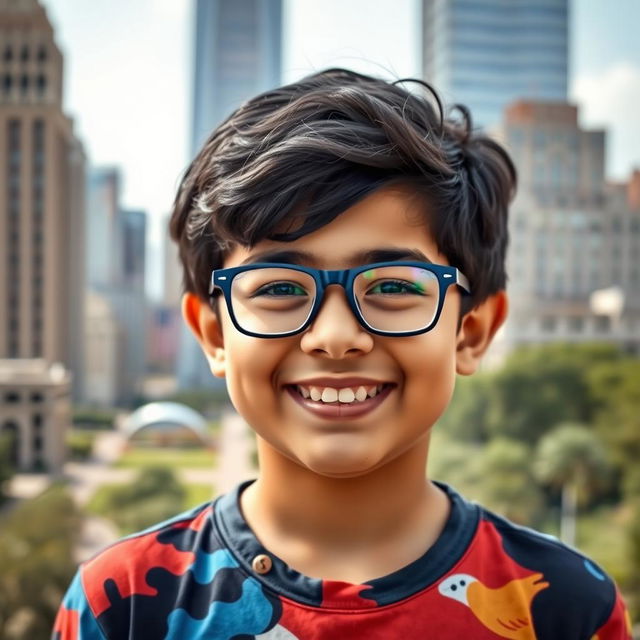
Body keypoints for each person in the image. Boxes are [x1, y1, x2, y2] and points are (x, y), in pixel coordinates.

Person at [53, 68, 632, 639]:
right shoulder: (122, 605)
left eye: (394, 286)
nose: (334, 336)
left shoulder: (566, 609)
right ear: (211, 332)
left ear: (471, 331)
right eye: (278, 287)